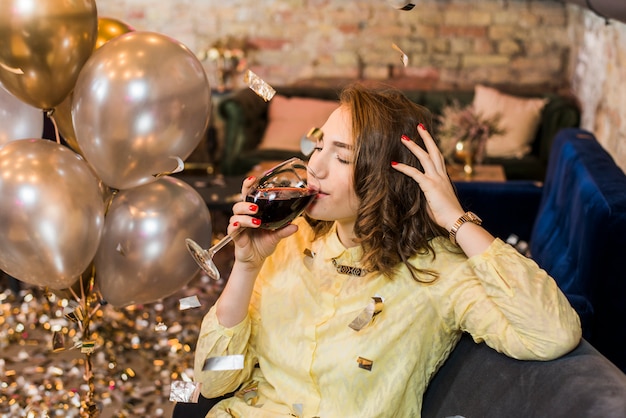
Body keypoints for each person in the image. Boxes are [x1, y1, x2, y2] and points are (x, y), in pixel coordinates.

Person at [189, 83, 581, 417]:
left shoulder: (436, 273)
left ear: (388, 177)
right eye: (318, 146)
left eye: (341, 156)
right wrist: (245, 268)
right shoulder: (289, 242)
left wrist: (455, 218)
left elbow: (552, 334)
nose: (315, 168)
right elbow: (213, 379)